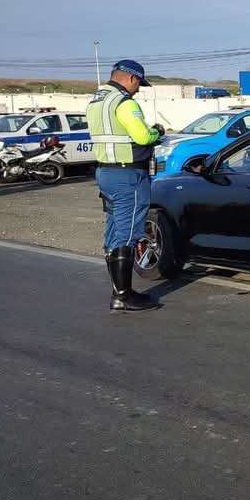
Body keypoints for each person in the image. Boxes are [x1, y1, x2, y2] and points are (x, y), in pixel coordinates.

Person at [86, 59, 165, 312]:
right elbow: (142, 136)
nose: (139, 89)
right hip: (128, 176)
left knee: (113, 230)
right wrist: (157, 132)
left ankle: (119, 290)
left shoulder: (97, 102)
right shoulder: (124, 103)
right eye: (139, 84)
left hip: (105, 172)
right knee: (128, 232)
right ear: (131, 78)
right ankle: (123, 296)